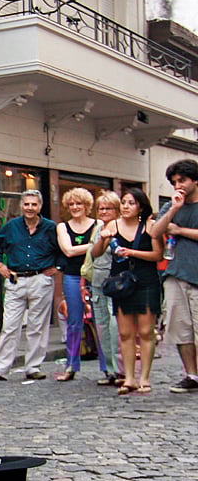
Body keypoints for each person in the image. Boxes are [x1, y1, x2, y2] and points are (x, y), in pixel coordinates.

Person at [0, 190, 61, 382]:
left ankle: (33, 367)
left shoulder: (50, 228)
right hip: (16, 280)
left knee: (37, 326)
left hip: (40, 279)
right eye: (26, 204)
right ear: (21, 205)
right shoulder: (11, 226)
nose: (30, 208)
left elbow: (63, 250)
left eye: (33, 204)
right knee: (9, 325)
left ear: (40, 206)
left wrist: (57, 267)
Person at [92, 188, 163, 394]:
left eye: (131, 203)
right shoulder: (112, 225)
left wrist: (131, 252)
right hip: (121, 283)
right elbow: (95, 254)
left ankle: (145, 378)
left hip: (145, 281)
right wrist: (103, 239)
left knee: (145, 332)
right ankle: (129, 378)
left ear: (140, 206)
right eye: (123, 202)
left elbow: (158, 255)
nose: (125, 206)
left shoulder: (150, 226)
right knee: (124, 333)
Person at [150, 159, 198, 393]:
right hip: (175, 274)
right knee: (180, 329)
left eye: (183, 180)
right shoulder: (171, 206)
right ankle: (191, 375)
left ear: (195, 181)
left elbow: (175, 231)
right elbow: (155, 231)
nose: (178, 185)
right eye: (175, 182)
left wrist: (180, 231)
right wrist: (174, 209)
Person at [54, 188, 99, 381]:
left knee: (100, 321)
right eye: (71, 204)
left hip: (96, 276)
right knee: (74, 321)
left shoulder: (97, 225)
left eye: (78, 204)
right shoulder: (63, 227)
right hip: (72, 276)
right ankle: (71, 365)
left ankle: (108, 367)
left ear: (87, 206)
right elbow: (68, 251)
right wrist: (93, 245)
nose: (74, 207)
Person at [89, 191, 122, 386]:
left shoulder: (120, 228)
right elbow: (92, 256)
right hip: (97, 283)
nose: (103, 212)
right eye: (100, 208)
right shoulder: (97, 228)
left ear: (117, 210)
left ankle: (120, 370)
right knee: (102, 327)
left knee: (115, 326)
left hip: (116, 283)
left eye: (108, 208)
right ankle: (109, 370)